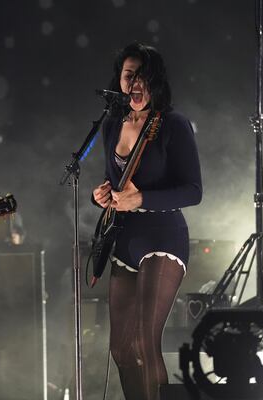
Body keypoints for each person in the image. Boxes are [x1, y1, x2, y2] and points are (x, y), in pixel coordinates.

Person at [92, 42, 202, 400]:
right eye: (129, 76)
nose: (136, 84)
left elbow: (193, 191)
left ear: (156, 81)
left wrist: (142, 198)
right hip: (125, 238)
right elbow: (116, 182)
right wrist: (103, 195)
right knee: (121, 350)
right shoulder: (112, 124)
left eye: (143, 77)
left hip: (164, 237)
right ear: (120, 81)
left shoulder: (173, 124)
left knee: (143, 341)